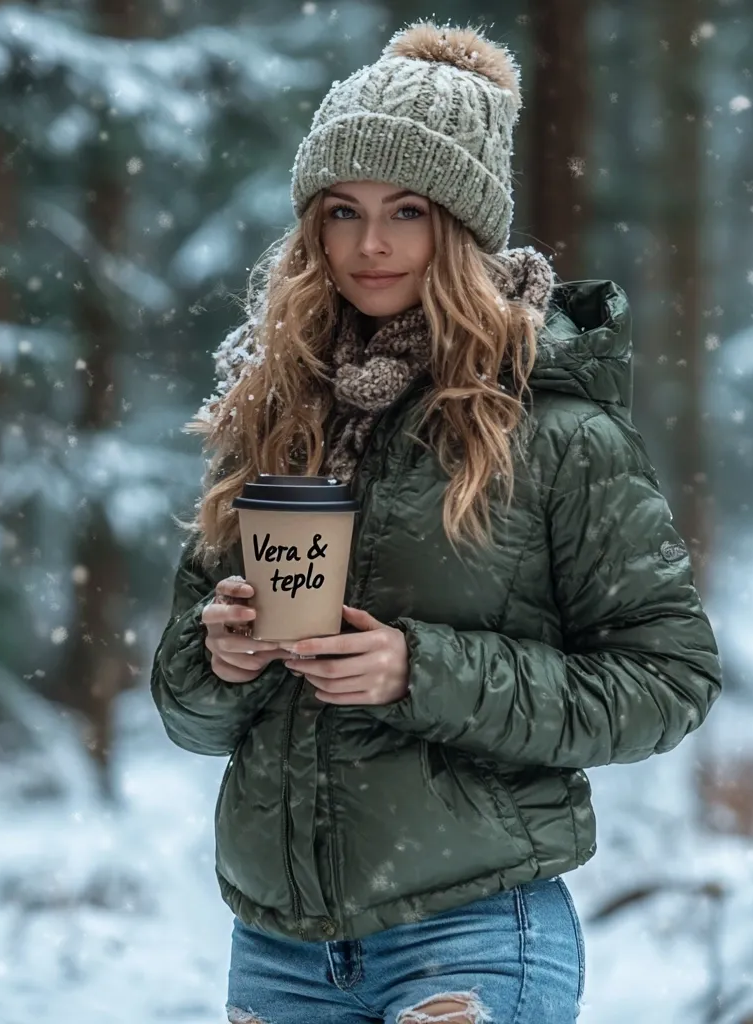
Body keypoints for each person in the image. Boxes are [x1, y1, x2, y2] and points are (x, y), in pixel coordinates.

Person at [150, 20, 722, 1024]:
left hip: (470, 931)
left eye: (406, 210)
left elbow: (666, 680)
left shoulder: (552, 430)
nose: (370, 245)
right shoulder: (272, 416)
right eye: (342, 210)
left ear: (458, 226)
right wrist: (221, 661)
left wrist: (421, 670)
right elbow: (188, 714)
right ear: (311, 229)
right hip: (278, 948)